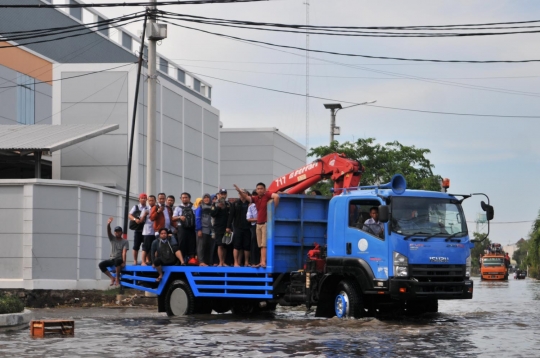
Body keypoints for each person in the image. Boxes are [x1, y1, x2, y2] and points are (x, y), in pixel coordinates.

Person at [234, 182, 279, 268]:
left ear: (264, 189)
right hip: (258, 224)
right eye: (258, 189)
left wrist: (273, 210)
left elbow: (276, 196)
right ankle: (261, 262)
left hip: (265, 223)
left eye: (261, 188)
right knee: (260, 245)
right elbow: (246, 197)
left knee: (264, 244)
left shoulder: (267, 195)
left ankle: (263, 262)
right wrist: (239, 190)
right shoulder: (255, 198)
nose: (259, 190)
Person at [98, 217, 129, 286]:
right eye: (116, 231)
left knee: (118, 261)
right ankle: (112, 278)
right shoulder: (112, 239)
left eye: (119, 231)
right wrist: (108, 224)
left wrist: (124, 262)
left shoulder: (125, 241)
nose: (117, 233)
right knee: (101, 264)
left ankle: (117, 278)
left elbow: (124, 252)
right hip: (112, 259)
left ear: (121, 232)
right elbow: (109, 231)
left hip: (119, 259)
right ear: (114, 233)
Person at [227, 189, 252, 267]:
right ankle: (236, 262)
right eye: (240, 193)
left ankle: (246, 262)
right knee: (236, 245)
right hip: (237, 227)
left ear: (247, 194)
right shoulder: (235, 204)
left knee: (247, 245)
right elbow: (231, 216)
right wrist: (228, 226)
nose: (242, 194)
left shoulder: (250, 203)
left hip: (248, 227)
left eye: (244, 193)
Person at [173, 192, 197, 260]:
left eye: (186, 197)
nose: (184, 199)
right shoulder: (178, 208)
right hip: (182, 229)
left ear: (189, 199)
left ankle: (192, 262)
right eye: (183, 198)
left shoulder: (193, 208)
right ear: (181, 199)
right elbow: (173, 218)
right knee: (182, 245)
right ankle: (182, 261)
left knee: (192, 245)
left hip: (191, 229)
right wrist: (179, 217)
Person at [211, 188, 231, 266]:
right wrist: (218, 207)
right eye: (221, 193)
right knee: (220, 244)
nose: (223, 195)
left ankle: (224, 261)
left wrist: (229, 227)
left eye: (224, 193)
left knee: (226, 244)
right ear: (219, 195)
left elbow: (231, 216)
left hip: (227, 228)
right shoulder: (214, 204)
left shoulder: (228, 204)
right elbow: (212, 214)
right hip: (218, 227)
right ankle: (220, 262)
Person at [128, 193, 149, 265]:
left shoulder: (148, 208)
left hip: (146, 230)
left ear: (146, 199)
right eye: (142, 198)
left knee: (146, 246)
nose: (143, 199)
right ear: (139, 199)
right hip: (138, 230)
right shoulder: (135, 207)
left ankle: (146, 260)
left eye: (144, 198)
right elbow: (129, 215)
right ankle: (135, 260)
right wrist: (134, 219)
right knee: (136, 246)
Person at [195, 194, 213, 266]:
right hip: (202, 229)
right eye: (205, 198)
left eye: (208, 198)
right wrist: (199, 229)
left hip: (211, 230)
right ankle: (201, 261)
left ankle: (208, 261)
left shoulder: (212, 206)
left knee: (209, 246)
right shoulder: (200, 207)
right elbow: (197, 219)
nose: (206, 199)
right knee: (201, 246)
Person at [141, 195, 156, 266]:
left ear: (155, 201)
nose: (151, 202)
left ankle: (149, 260)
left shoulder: (157, 208)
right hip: (147, 231)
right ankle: (143, 261)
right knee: (145, 247)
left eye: (152, 200)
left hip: (155, 231)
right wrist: (144, 215)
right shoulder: (145, 209)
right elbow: (140, 220)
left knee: (152, 247)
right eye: (149, 200)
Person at [246, 190, 259, 266]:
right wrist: (258, 219)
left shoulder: (264, 204)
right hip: (254, 226)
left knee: (262, 244)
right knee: (254, 242)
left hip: (263, 225)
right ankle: (253, 262)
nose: (254, 196)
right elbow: (248, 219)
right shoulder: (251, 206)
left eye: (256, 195)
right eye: (253, 195)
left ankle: (261, 261)